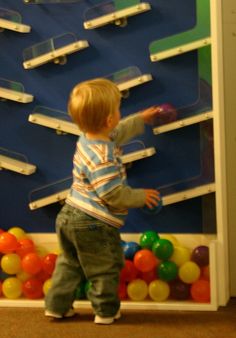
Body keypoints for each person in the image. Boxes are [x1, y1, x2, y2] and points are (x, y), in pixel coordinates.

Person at [45, 78, 161, 324]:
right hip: (93, 222)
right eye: (118, 110)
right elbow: (112, 194)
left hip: (69, 215)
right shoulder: (103, 158)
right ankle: (106, 312)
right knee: (105, 267)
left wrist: (140, 119)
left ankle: (56, 306)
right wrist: (141, 196)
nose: (120, 114)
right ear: (109, 120)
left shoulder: (88, 139)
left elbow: (117, 134)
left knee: (69, 263)